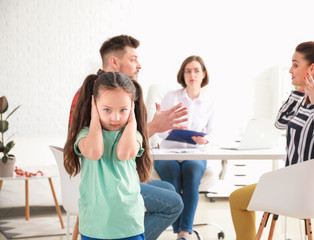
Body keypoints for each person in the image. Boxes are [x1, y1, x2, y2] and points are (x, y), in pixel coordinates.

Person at [68, 35, 185, 240]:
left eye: (123, 109)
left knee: (167, 187)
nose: (139, 65)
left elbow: (124, 149)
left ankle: (124, 226)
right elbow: (97, 147)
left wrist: (138, 123)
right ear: (115, 62)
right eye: (133, 59)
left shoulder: (125, 106)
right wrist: (152, 127)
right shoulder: (89, 95)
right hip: (98, 183)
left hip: (125, 211)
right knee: (173, 202)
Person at [229, 41, 314, 240]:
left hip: (297, 192)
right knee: (242, 197)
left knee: (236, 199)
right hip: (297, 188)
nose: (290, 70)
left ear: (312, 69)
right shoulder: (304, 100)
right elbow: (279, 122)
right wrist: (299, 93)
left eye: (295, 64)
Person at [64, 72, 152, 239]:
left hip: (128, 222)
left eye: (123, 110)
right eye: (107, 110)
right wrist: (95, 119)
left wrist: (132, 121)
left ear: (132, 107)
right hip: (94, 224)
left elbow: (124, 153)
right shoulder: (85, 135)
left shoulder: (134, 135)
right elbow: (94, 152)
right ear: (94, 106)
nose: (115, 118)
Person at [154, 56, 216, 240]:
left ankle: (184, 232)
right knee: (172, 177)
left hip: (195, 152)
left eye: (196, 70)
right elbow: (160, 131)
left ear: (204, 74)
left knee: (191, 173)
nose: (192, 74)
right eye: (188, 71)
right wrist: (171, 129)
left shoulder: (210, 102)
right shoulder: (170, 97)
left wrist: (204, 141)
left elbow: (214, 133)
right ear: (183, 74)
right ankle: (179, 228)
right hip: (168, 152)